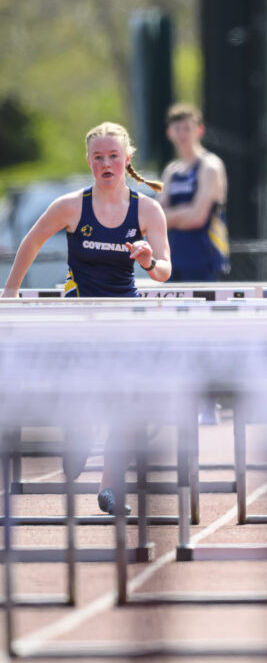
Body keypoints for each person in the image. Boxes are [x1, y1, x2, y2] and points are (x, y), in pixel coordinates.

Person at [1, 122, 172, 514]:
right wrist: (10, 293)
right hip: (78, 308)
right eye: (99, 157)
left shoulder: (147, 209)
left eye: (114, 156)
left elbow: (165, 270)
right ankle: (76, 431)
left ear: (127, 160)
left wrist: (149, 261)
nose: (106, 163)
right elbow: (30, 242)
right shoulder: (70, 206)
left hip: (123, 310)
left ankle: (109, 486)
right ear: (89, 162)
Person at [159, 103, 230, 283]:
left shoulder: (210, 166)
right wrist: (184, 211)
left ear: (199, 130)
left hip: (205, 262)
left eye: (187, 128)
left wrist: (173, 216)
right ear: (169, 133)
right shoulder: (171, 171)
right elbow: (158, 218)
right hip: (173, 261)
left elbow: (198, 217)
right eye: (177, 129)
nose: (182, 134)